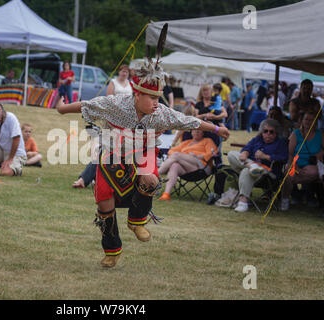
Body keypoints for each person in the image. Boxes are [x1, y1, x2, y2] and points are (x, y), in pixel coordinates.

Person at [56, 56, 229, 268]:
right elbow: (88, 104)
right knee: (104, 202)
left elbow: (188, 121)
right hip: (112, 153)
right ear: (137, 95)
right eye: (152, 98)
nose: (157, 102)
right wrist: (62, 109)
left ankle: (136, 221)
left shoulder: (161, 113)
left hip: (143, 151)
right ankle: (112, 250)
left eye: (159, 97)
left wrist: (217, 129)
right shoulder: (116, 104)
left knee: (150, 179)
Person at [227, 119, 288, 212]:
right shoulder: (257, 139)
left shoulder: (280, 143)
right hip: (251, 166)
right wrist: (245, 154)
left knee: (246, 171)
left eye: (271, 132)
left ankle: (243, 202)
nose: (268, 134)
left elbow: (284, 158)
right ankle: (252, 166)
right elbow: (247, 148)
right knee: (231, 154)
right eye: (265, 131)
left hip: (267, 172)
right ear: (261, 132)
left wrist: (266, 156)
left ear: (276, 133)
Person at [280, 110, 324, 211]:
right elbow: (290, 154)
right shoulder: (295, 134)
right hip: (295, 162)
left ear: (315, 121)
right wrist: (293, 165)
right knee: (288, 173)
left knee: (314, 171)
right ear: (302, 121)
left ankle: (301, 192)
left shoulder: (320, 134)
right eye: (306, 119)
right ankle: (285, 200)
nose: (308, 122)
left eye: (311, 120)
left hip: (310, 165)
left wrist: (321, 153)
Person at [158, 129, 218, 201]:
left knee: (177, 155)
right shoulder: (186, 142)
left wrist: (198, 156)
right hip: (188, 167)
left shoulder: (207, 141)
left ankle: (156, 174)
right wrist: (184, 156)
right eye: (194, 130)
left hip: (201, 166)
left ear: (203, 133)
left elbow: (212, 153)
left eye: (199, 130)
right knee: (174, 165)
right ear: (191, 132)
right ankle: (166, 194)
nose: (197, 132)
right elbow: (171, 151)